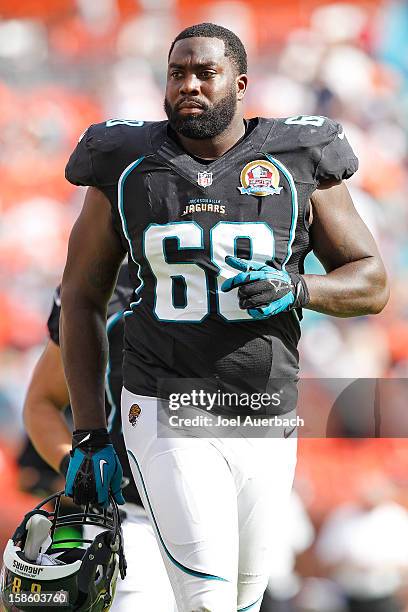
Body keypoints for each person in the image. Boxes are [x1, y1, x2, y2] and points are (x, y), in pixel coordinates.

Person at [60, 22, 389, 612]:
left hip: (266, 408)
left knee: (242, 602)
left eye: (204, 73)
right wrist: (89, 429)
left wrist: (299, 287)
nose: (189, 85)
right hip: (165, 404)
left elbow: (371, 281)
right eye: (178, 73)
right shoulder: (126, 161)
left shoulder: (296, 157)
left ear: (239, 84)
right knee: (208, 603)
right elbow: (80, 296)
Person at [23, 267, 174, 611]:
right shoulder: (103, 281)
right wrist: (75, 467)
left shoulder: (242, 260)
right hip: (134, 519)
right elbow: (42, 401)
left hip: (230, 506)